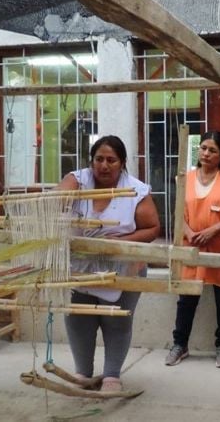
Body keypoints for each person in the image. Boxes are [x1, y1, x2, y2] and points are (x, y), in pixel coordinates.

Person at [57, 135, 161, 392]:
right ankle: (83, 373)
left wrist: (120, 242)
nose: (104, 165)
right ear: (91, 161)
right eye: (99, 159)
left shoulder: (136, 190)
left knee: (117, 320)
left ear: (122, 163)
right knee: (79, 317)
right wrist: (62, 198)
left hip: (123, 265)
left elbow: (153, 228)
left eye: (111, 160)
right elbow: (57, 199)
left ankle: (112, 375)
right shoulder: (77, 180)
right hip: (80, 265)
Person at [165, 131, 220, 369]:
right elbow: (177, 210)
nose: (206, 154)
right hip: (191, 246)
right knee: (186, 297)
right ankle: (180, 344)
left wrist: (214, 230)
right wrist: (187, 232)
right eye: (204, 148)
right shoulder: (185, 178)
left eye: (213, 150)